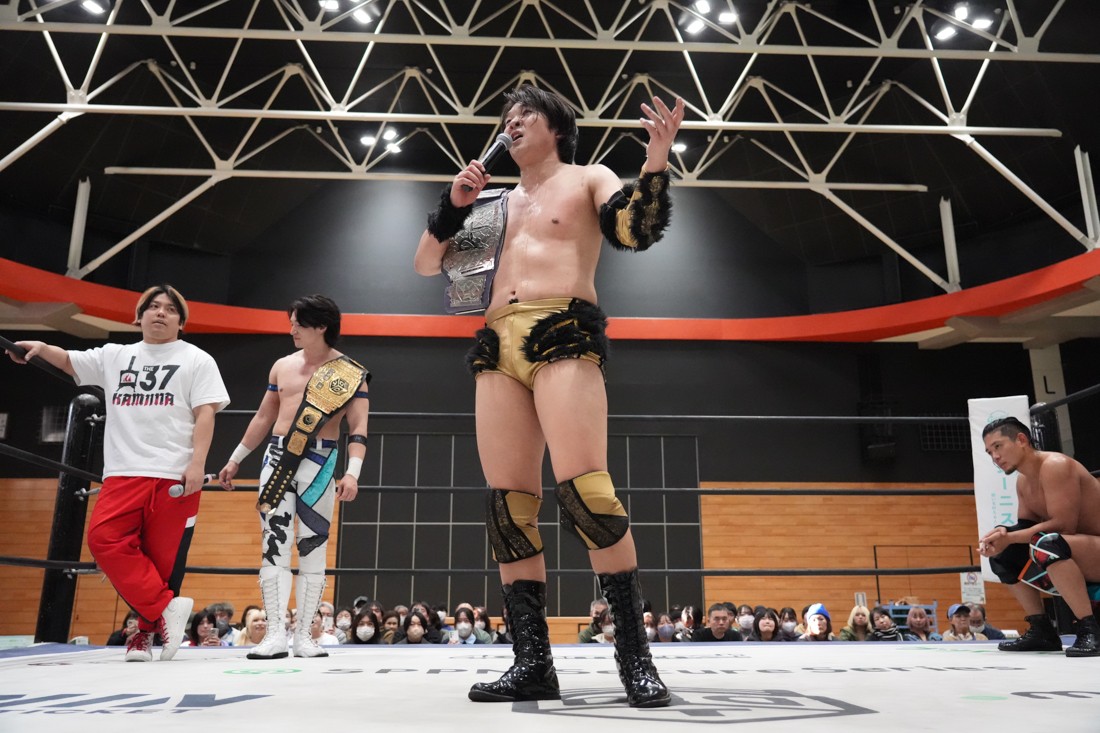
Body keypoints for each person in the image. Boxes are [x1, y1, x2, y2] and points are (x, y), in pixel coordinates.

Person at [413, 84, 683, 708]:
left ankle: (635, 661)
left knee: (588, 495)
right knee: (507, 508)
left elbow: (635, 230)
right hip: (496, 343)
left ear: (558, 126)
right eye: (506, 116)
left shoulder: (589, 177)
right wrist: (454, 204)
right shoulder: (493, 202)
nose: (512, 122)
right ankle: (532, 663)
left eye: (525, 114)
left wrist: (656, 162)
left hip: (562, 328)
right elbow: (427, 264)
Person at [5, 284, 229, 663]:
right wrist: (41, 348)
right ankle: (167, 609)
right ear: (139, 316)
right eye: (153, 306)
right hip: (123, 470)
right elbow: (69, 360)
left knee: (160, 564)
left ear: (181, 321)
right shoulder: (115, 355)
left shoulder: (197, 359)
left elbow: (205, 413)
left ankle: (142, 636)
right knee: (103, 539)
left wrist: (197, 464)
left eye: (170, 309)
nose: (160, 313)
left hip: (174, 473)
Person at [218, 295, 370, 660]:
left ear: (321, 326)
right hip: (277, 458)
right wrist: (236, 459)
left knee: (313, 547)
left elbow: (359, 429)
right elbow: (263, 417)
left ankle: (304, 636)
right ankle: (274, 635)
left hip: (322, 460)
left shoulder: (351, 373)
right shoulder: (281, 366)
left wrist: (352, 474)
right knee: (274, 545)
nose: (292, 330)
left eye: (298, 324)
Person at [978, 416, 1100, 656]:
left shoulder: (1055, 465)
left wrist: (1011, 536)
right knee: (1003, 552)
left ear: (1021, 440)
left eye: (998, 446)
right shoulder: (1023, 481)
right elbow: (1027, 526)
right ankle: (1041, 630)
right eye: (990, 452)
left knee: (1048, 544)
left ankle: (1089, 629)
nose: (995, 457)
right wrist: (1002, 534)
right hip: (1078, 549)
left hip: (1091, 546)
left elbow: (1064, 525)